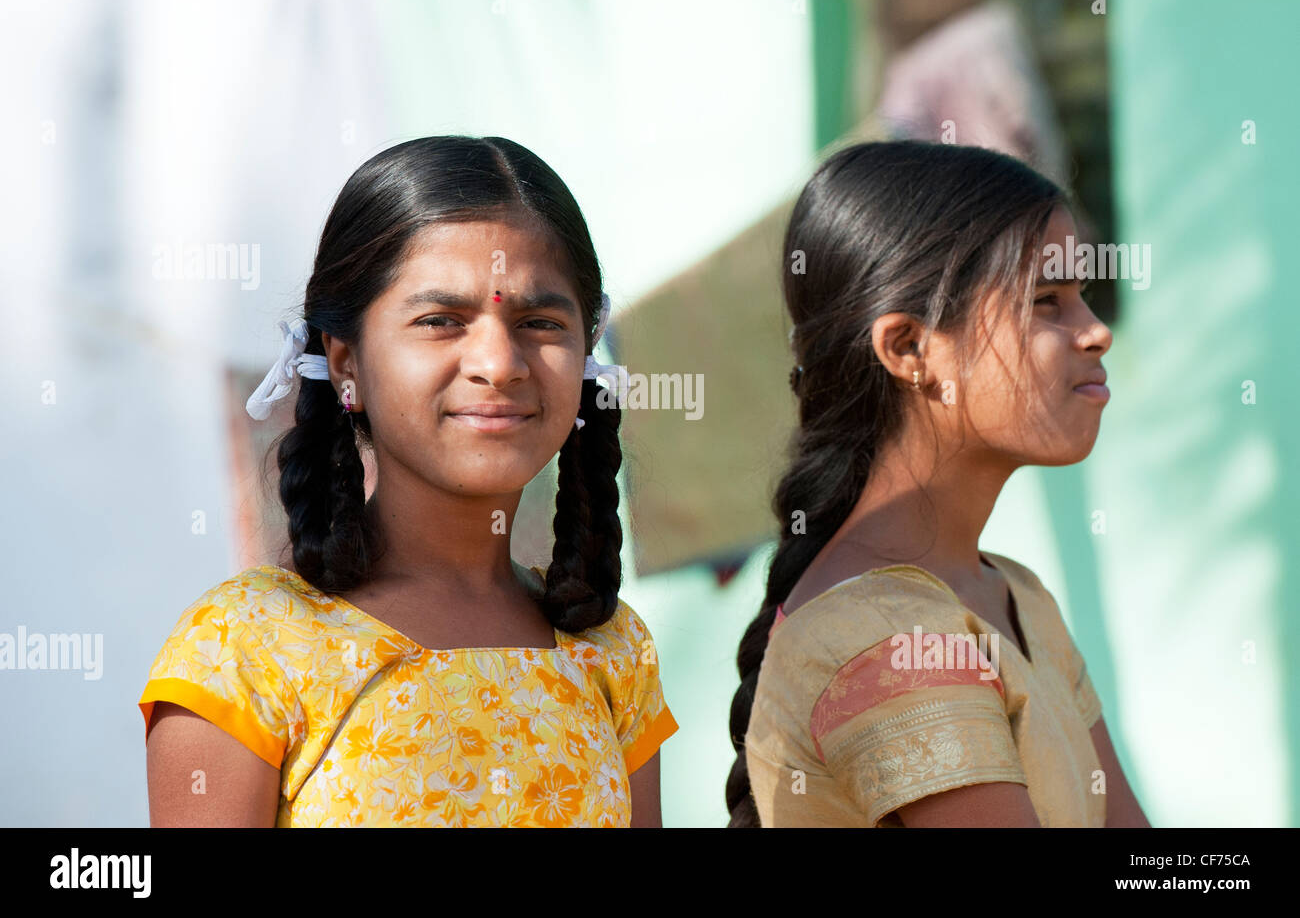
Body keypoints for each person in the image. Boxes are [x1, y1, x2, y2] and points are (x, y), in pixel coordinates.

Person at [139, 136, 677, 827]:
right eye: (441, 321)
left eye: (540, 322)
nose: (499, 362)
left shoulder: (611, 650)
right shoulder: (245, 648)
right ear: (343, 362)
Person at [726, 140, 1148, 828]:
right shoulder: (886, 635)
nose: (1095, 331)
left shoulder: (1015, 596)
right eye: (1047, 301)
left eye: (1084, 297)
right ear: (910, 348)